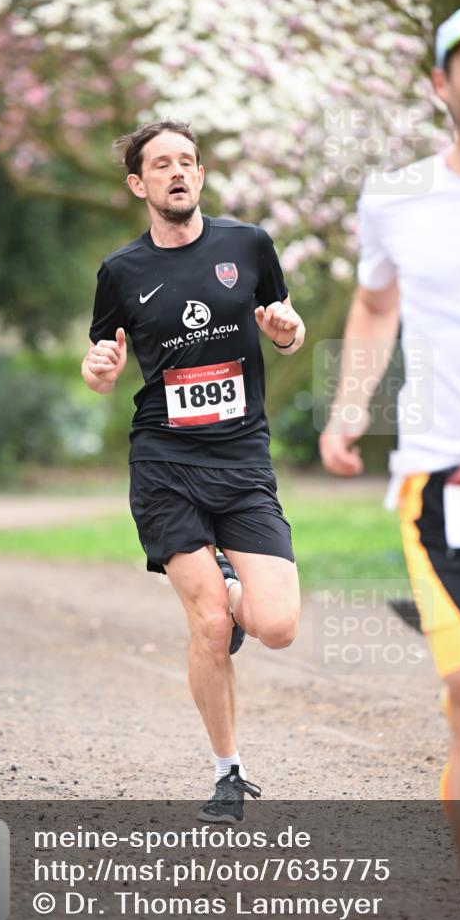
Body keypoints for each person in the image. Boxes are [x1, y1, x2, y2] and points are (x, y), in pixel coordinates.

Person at [319, 4, 460, 920]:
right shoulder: (395, 196)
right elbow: (373, 299)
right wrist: (350, 404)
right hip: (450, 484)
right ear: (442, 86)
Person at [82, 120, 305, 823]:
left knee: (275, 627)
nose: (176, 172)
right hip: (164, 463)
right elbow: (98, 364)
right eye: (161, 164)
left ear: (200, 176)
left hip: (241, 460)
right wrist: (100, 370)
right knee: (209, 625)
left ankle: (237, 583)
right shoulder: (121, 273)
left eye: (187, 161)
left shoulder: (248, 245)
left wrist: (287, 332)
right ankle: (227, 771)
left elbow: (286, 320)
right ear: (138, 184)